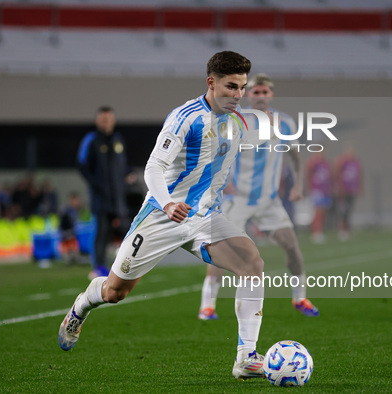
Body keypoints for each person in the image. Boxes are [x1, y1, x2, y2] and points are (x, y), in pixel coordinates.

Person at [59, 51, 267, 380]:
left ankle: (246, 357)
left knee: (252, 263)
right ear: (211, 83)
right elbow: (154, 166)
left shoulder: (240, 122)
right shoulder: (185, 117)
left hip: (205, 218)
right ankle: (81, 307)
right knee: (115, 292)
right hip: (162, 215)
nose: (238, 94)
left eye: (242, 87)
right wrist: (168, 202)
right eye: (231, 87)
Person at [198, 73, 319, 321]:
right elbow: (218, 152)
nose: (261, 96)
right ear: (247, 94)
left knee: (292, 247)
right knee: (220, 251)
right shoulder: (234, 119)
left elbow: (295, 156)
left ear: (271, 94)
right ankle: (207, 305)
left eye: (265, 92)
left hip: (269, 201)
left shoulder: (285, 122)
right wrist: (224, 181)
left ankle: (300, 298)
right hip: (236, 200)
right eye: (256, 92)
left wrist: (297, 185)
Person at [77, 106, 132, 278]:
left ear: (113, 121)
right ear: (97, 121)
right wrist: (97, 185)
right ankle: (98, 267)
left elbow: (123, 165)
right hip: (100, 198)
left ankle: (128, 266)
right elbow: (82, 164)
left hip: (118, 198)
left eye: (108, 119)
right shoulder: (91, 140)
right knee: (101, 233)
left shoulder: (118, 140)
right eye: (103, 119)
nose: (106, 122)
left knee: (128, 232)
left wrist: (128, 175)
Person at [334, 147, 363, 241]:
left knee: (349, 210)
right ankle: (342, 230)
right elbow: (336, 174)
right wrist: (339, 188)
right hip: (343, 191)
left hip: (351, 190)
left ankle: (348, 229)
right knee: (343, 211)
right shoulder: (342, 162)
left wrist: (359, 187)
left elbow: (359, 175)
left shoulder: (355, 162)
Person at [306, 152, 332, 244]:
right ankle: (315, 232)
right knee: (317, 211)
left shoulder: (326, 163)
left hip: (325, 190)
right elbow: (308, 172)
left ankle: (319, 231)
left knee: (323, 212)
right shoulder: (313, 162)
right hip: (317, 190)